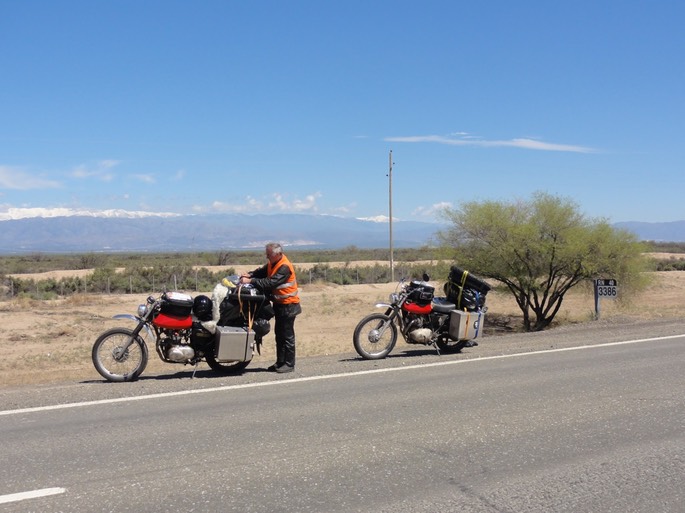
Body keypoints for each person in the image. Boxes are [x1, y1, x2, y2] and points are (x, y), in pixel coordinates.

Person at [240, 242, 301, 373]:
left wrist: (251, 281)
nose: (267, 257)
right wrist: (250, 275)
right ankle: (280, 362)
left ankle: (289, 364)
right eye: (266, 254)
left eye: (269, 255)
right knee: (279, 335)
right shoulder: (273, 263)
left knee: (287, 336)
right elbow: (261, 272)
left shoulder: (284, 267)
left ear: (278, 254)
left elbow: (270, 282)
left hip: (289, 305)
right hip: (280, 305)